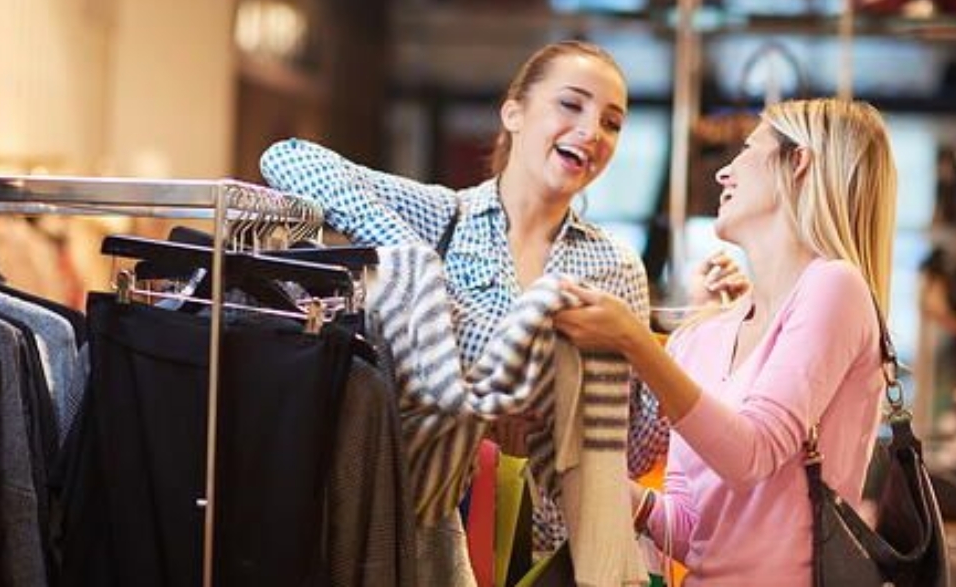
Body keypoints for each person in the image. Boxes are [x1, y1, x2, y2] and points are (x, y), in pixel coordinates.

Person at [260, 40, 746, 582]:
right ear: (513, 112)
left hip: (550, 550)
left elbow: (630, 455)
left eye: (611, 122)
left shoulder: (614, 265)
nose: (591, 131)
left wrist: (694, 328)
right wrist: (421, 268)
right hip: (428, 525)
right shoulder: (444, 216)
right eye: (571, 104)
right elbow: (287, 160)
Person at [554, 97, 898, 585]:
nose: (723, 173)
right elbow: (695, 534)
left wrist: (636, 342)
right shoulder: (703, 336)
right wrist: (580, 469)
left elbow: (751, 454)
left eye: (747, 149)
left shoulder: (835, 287)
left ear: (798, 162)